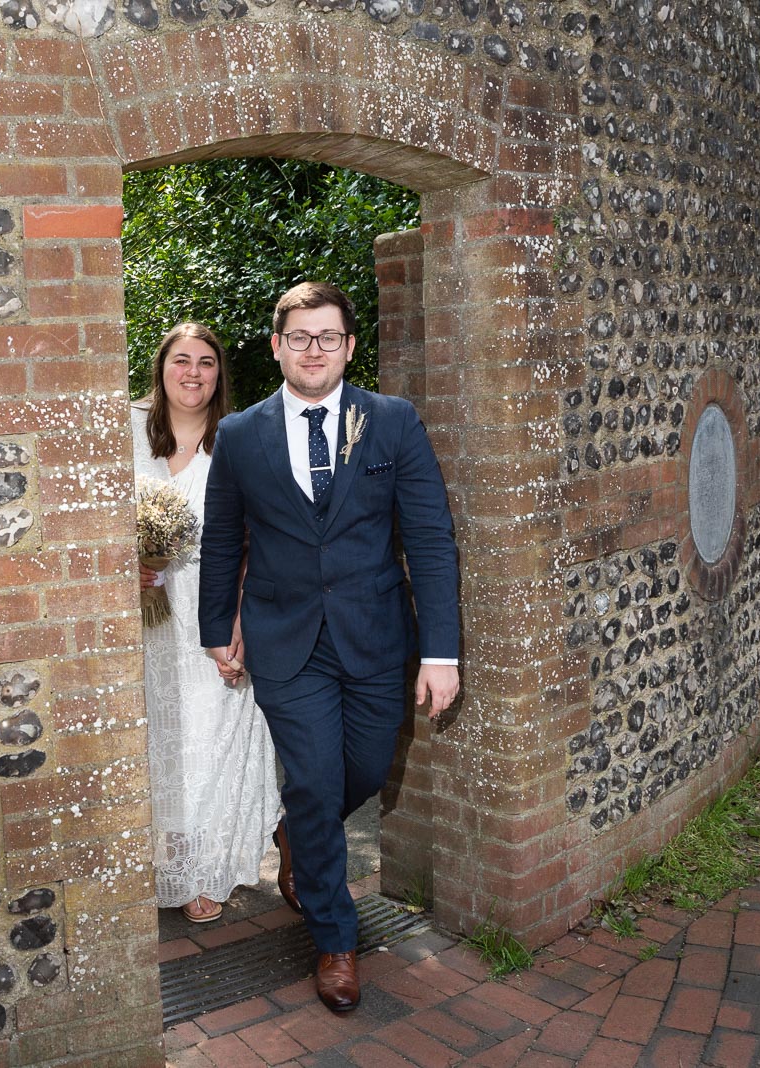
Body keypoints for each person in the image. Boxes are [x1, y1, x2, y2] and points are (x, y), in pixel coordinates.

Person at [199, 283, 460, 1011]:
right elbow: (223, 538)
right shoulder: (243, 435)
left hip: (377, 637)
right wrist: (217, 630)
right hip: (288, 641)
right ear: (277, 345)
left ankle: (296, 833)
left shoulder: (393, 423)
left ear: (349, 347)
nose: (314, 350)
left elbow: (431, 540)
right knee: (314, 778)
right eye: (299, 337)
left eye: (328, 337)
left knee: (367, 770)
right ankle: (335, 936)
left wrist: (442, 652)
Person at [132, 323, 283, 925]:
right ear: (161, 367)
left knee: (210, 738)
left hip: (216, 605)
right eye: (181, 361)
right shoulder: (127, 433)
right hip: (146, 614)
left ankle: (202, 872)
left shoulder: (240, 440)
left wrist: (240, 619)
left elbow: (260, 540)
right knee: (158, 740)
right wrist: (133, 564)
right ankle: (158, 862)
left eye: (206, 364)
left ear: (220, 376)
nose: (192, 373)